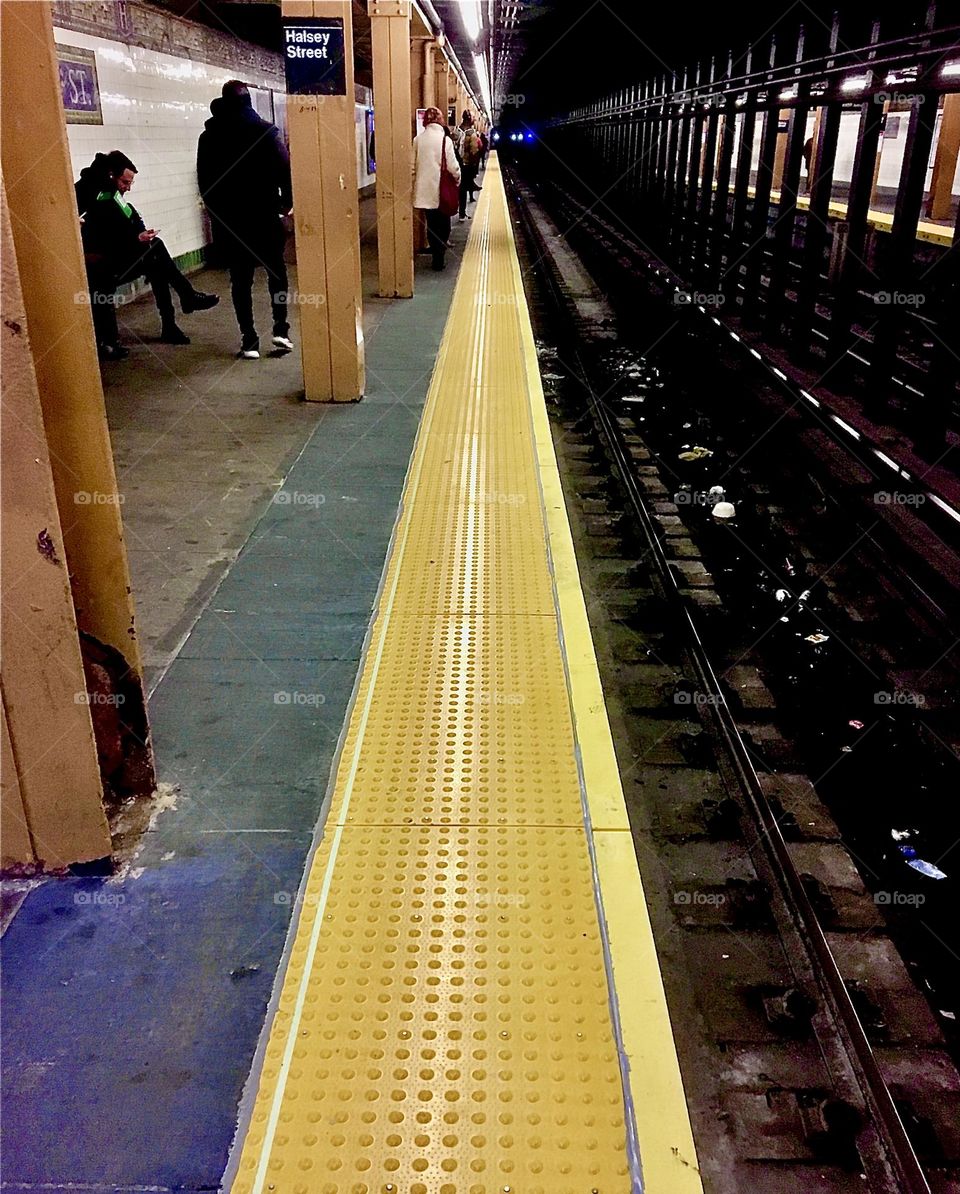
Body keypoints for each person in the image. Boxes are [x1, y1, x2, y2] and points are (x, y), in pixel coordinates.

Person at [78, 150, 219, 357]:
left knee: (157, 259)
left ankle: (175, 317)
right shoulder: (94, 196)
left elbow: (126, 224)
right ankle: (186, 298)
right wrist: (136, 239)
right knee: (156, 251)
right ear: (111, 176)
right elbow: (102, 239)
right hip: (101, 262)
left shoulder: (113, 195)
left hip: (116, 255)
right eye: (125, 182)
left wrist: (140, 234)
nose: (128, 188)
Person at [197, 81, 293, 360]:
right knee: (277, 274)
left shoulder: (210, 136)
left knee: (240, 280)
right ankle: (281, 330)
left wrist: (219, 215)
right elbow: (285, 171)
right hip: (264, 214)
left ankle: (249, 341)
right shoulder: (265, 131)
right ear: (248, 100)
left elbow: (205, 183)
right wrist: (284, 205)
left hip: (231, 221)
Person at [413, 106, 460, 271]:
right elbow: (453, 167)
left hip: (425, 191)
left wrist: (416, 185)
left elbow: (412, 167)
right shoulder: (444, 140)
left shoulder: (418, 140)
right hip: (442, 191)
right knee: (444, 224)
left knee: (431, 224)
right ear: (440, 120)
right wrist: (457, 179)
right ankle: (440, 256)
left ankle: (436, 256)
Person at [456, 112, 483, 219]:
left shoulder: (457, 131)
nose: (474, 120)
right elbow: (474, 151)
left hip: (456, 163)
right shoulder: (472, 134)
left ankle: (459, 210)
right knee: (464, 188)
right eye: (472, 118)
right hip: (466, 164)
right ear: (469, 119)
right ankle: (462, 212)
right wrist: (474, 164)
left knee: (460, 188)